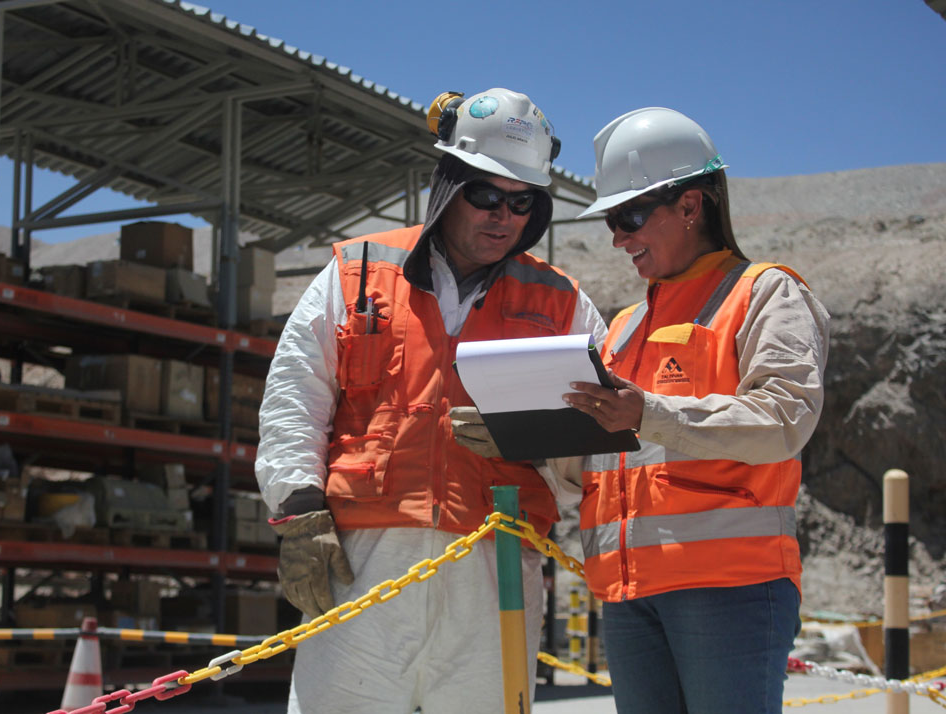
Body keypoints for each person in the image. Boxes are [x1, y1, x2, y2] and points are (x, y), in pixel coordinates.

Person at [255, 87, 607, 714]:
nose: (503, 215)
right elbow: (294, 395)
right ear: (449, 185)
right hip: (362, 560)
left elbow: (602, 442)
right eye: (486, 195)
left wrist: (534, 439)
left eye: (522, 202)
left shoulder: (564, 305)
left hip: (498, 559)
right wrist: (299, 512)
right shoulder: (355, 272)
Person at [562, 107, 830, 714]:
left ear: (691, 206)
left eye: (629, 216)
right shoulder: (623, 329)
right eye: (612, 220)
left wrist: (647, 412)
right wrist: (519, 431)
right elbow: (597, 466)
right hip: (628, 592)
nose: (619, 238)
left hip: (729, 588)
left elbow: (784, 419)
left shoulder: (765, 294)